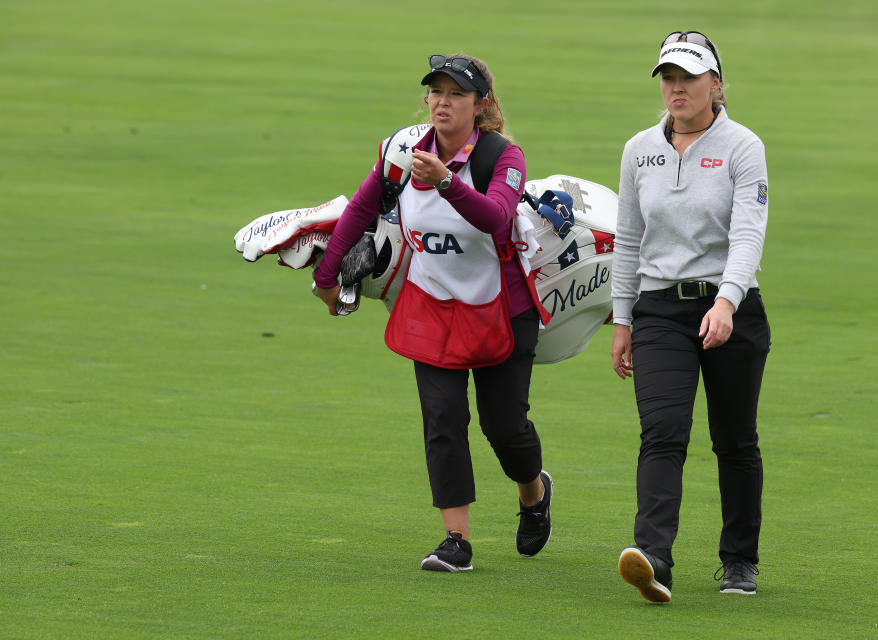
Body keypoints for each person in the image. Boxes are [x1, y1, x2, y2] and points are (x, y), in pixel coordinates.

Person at [312, 53, 553, 572]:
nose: (442, 102)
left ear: (480, 104)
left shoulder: (503, 157)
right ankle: (456, 540)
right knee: (443, 419)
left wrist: (447, 180)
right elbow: (360, 208)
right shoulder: (403, 151)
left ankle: (533, 493)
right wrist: (326, 276)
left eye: (456, 94)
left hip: (502, 310)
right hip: (431, 307)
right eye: (436, 92)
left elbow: (496, 216)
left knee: (504, 426)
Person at [610, 31, 770, 602]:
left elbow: (748, 234)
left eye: (690, 78)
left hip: (734, 309)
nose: (677, 88)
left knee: (734, 440)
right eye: (669, 78)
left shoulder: (743, 147)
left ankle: (739, 561)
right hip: (658, 310)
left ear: (716, 85)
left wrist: (727, 299)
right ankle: (653, 558)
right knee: (662, 433)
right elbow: (628, 240)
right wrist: (622, 320)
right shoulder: (639, 150)